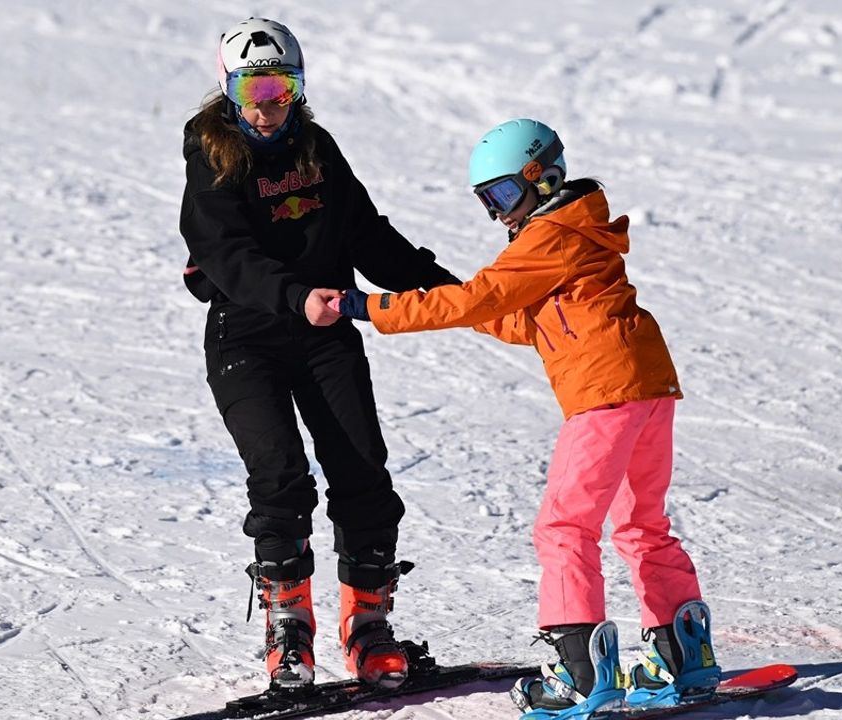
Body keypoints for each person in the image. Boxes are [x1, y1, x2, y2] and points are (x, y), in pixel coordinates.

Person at [330, 119, 722, 717]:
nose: (499, 215)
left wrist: (371, 305)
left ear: (544, 177)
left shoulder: (550, 235)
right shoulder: (575, 228)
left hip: (605, 392)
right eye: (489, 202)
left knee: (565, 528)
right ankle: (682, 656)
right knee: (641, 525)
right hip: (646, 385)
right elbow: (519, 319)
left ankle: (579, 671)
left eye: (506, 196)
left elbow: (483, 297)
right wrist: (455, 305)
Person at [178, 17, 460, 690]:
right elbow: (225, 256)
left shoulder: (316, 148)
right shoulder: (212, 155)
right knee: (279, 479)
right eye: (254, 88)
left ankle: (367, 629)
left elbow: (366, 234)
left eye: (281, 87)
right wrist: (296, 293)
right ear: (229, 89)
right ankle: (289, 636)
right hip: (246, 334)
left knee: (362, 470)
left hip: (325, 333)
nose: (268, 104)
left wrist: (454, 292)